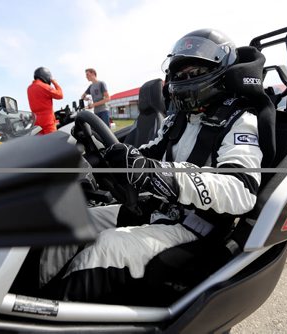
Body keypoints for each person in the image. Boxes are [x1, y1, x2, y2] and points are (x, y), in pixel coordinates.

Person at [40, 28, 270, 304]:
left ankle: (54, 314)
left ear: (220, 72)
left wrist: (163, 175)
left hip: (195, 228)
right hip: (157, 211)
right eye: (180, 75)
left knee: (104, 248)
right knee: (67, 222)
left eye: (194, 73)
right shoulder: (179, 120)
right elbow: (147, 154)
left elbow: (241, 190)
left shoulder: (239, 121)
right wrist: (111, 157)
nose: (185, 81)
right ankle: (33, 297)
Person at [27, 67, 63, 135]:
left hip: (36, 122)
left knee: (42, 143)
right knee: (53, 142)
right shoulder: (44, 86)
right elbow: (60, 95)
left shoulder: (29, 88)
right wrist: (54, 82)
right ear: (45, 75)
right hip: (48, 121)